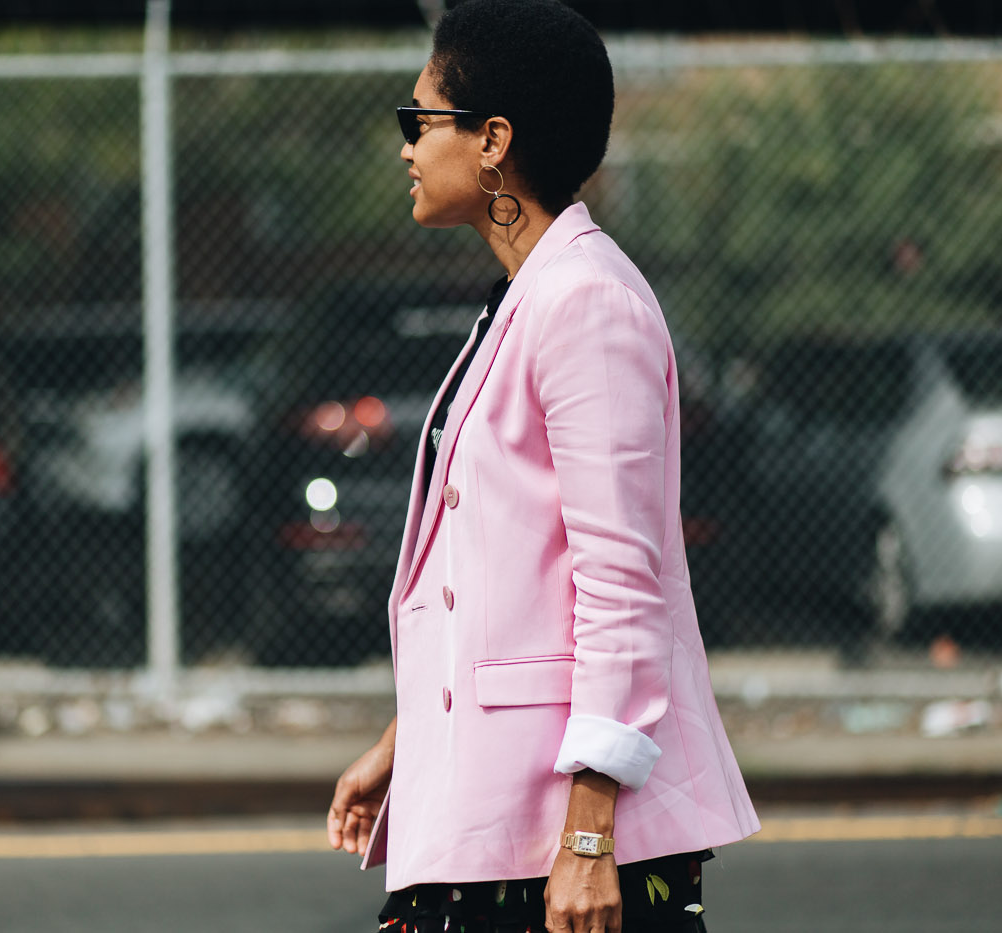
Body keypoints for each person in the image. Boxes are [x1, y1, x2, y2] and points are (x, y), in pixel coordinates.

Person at [326, 2, 759, 930]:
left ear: (492, 141)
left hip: (558, 843)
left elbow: (621, 583)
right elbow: (506, 585)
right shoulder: (527, 299)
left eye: (420, 121)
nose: (405, 146)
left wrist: (589, 838)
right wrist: (409, 741)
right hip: (493, 822)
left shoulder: (589, 305)